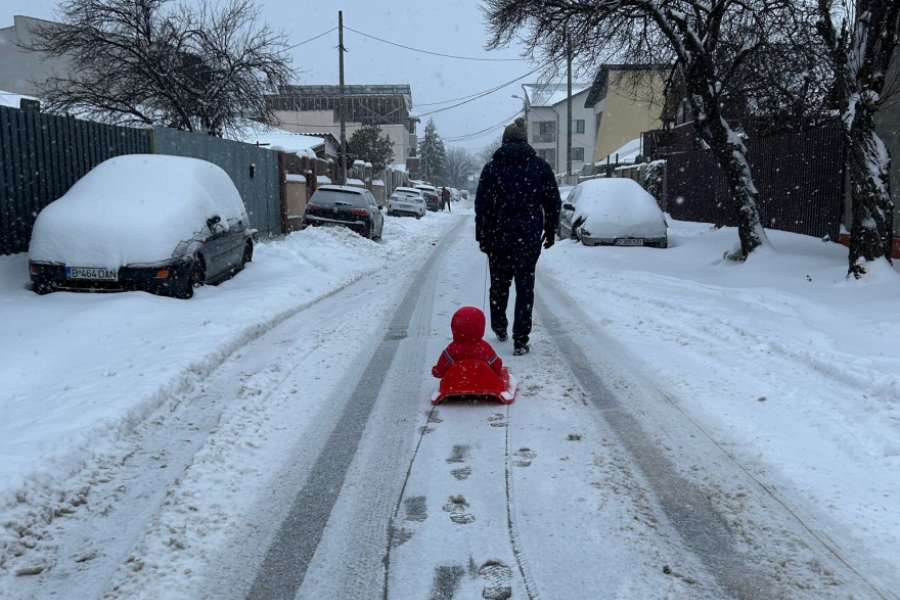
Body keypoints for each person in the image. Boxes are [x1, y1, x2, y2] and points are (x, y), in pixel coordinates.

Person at [474, 117, 561, 356]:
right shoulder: (540, 167)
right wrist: (551, 231)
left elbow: (482, 205)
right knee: (525, 288)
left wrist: (483, 236)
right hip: (529, 239)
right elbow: (553, 202)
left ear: (504, 141)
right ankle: (521, 338)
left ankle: (500, 326)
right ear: (525, 141)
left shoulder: (492, 169)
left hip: (498, 239)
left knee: (499, 286)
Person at [432, 306, 503, 378]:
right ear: (480, 326)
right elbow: (497, 368)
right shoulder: (484, 348)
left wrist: (435, 370)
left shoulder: (452, 350)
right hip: (482, 384)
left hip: (456, 385)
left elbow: (439, 372)